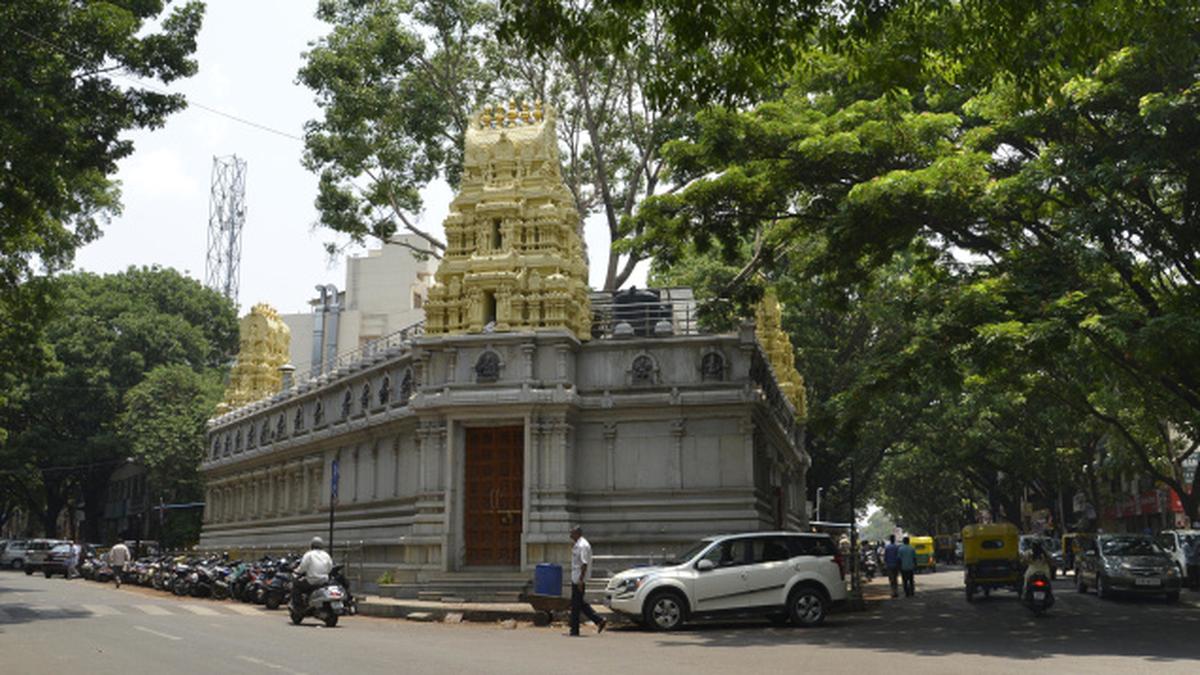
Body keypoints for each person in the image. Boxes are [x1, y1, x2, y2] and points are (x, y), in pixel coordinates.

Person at [568, 526, 606, 636]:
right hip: (576, 578)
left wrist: (581, 580)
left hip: (579, 580)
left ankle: (574, 630)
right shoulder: (577, 544)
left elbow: (584, 564)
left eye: (572, 532)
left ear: (577, 533)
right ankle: (599, 620)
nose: (570, 534)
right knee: (579, 604)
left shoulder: (582, 545)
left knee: (576, 606)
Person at [292, 536, 334, 610]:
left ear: (312, 545)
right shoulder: (326, 555)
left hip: (312, 581)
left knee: (296, 586)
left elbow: (303, 567)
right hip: (324, 581)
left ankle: (298, 607)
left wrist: (297, 571)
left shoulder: (309, 554)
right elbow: (330, 567)